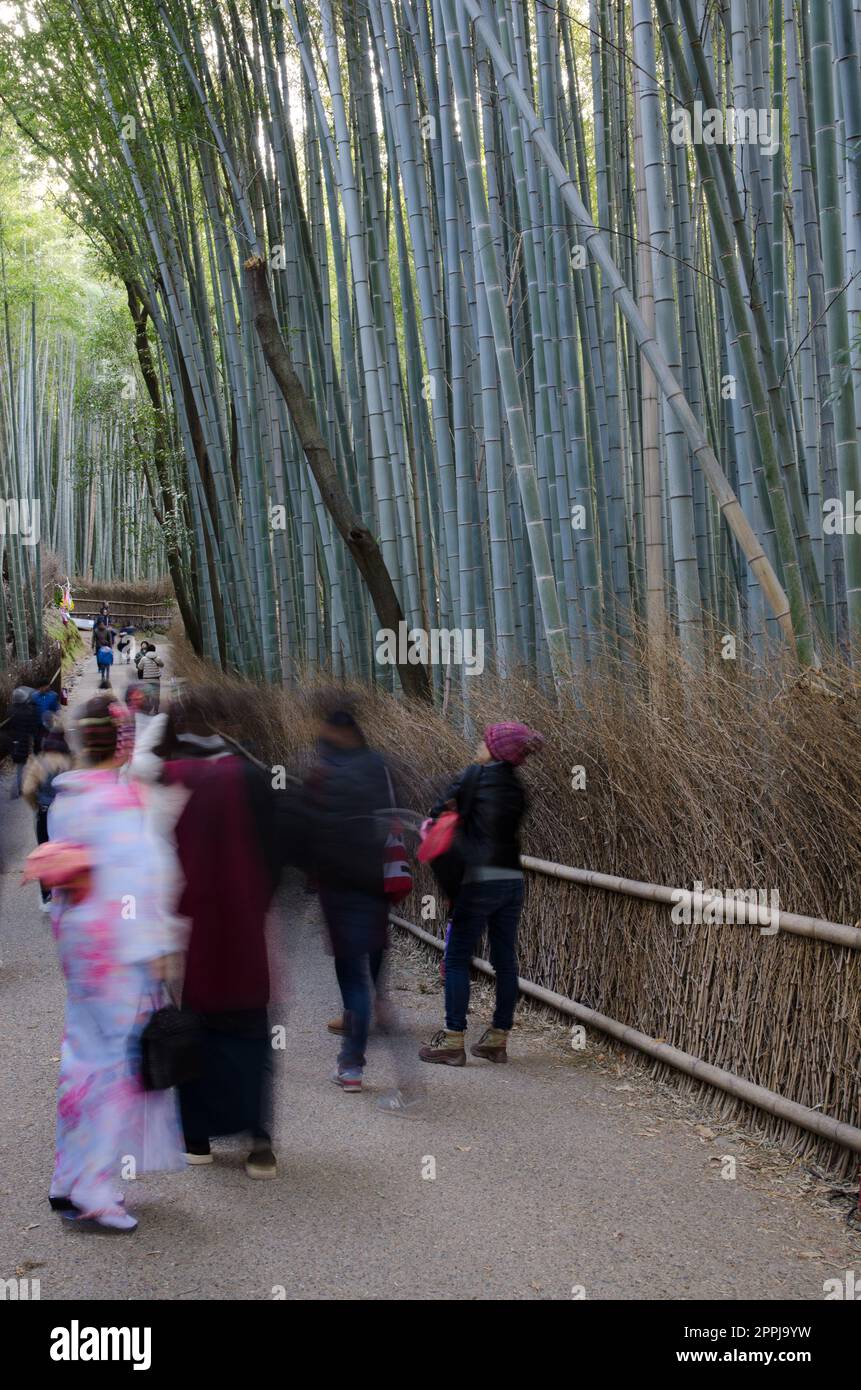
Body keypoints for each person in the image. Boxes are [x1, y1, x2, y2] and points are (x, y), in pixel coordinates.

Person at [130, 690, 287, 1178]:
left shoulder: (160, 782)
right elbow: (278, 851)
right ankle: (259, 1141)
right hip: (243, 927)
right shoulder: (250, 778)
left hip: (184, 930)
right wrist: (259, 901)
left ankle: (195, 1137)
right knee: (252, 1032)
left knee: (192, 1031)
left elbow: (149, 861)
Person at [41, 695, 184, 1231]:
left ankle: (67, 1175)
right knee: (115, 1072)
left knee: (82, 1060)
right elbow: (142, 882)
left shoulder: (68, 798)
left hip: (80, 948)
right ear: (123, 744)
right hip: (119, 953)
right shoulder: (122, 804)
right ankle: (95, 1189)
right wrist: (162, 948)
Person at [304, 694, 417, 1106]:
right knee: (371, 973)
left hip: (338, 885)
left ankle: (351, 1064)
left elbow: (309, 829)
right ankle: (384, 1035)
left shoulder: (321, 772)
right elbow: (395, 817)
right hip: (374, 881)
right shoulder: (379, 766)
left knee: (352, 977)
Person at [419, 722, 543, 1068]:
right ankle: (497, 1038)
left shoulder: (474, 775)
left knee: (457, 957)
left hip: (477, 878)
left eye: (484, 741)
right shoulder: (518, 789)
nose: (479, 745)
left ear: (496, 749)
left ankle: (453, 1039)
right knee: (505, 960)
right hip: (511, 879)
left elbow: (436, 813)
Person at [22, 723, 72, 910]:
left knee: (45, 852)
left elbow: (27, 789)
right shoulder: (70, 760)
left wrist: (36, 806)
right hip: (65, 813)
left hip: (44, 811)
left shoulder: (38, 761)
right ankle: (67, 891)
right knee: (65, 851)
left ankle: (47, 896)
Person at [6, 687, 40, 799]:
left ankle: (19, 786)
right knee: (23, 765)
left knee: (19, 765)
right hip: (24, 741)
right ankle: (20, 787)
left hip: (13, 741)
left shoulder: (10, 711)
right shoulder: (28, 711)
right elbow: (33, 727)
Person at [31, 681, 60, 753]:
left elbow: (56, 709)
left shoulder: (53, 696)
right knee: (37, 742)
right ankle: (38, 755)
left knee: (49, 740)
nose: (46, 688)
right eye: (43, 687)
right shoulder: (33, 697)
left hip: (49, 723)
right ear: (39, 688)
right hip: (37, 724)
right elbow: (31, 709)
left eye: (47, 686)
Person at [139, 644, 164, 712]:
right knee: (156, 695)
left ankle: (147, 709)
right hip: (156, 679)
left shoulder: (143, 658)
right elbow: (162, 665)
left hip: (147, 680)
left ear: (147, 650)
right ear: (154, 650)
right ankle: (156, 709)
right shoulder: (158, 658)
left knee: (147, 695)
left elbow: (140, 667)